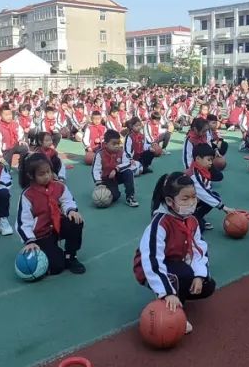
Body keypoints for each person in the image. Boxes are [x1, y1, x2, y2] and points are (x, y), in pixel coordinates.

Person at [135, 172, 215, 333]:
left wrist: (199, 275)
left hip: (176, 262)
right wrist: (167, 292)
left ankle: (176, 293)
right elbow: (152, 260)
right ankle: (172, 308)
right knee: (183, 275)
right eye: (185, 199)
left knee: (207, 285)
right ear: (170, 201)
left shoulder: (192, 220)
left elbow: (198, 249)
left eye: (194, 197)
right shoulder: (160, 224)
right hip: (148, 268)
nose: (192, 202)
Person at [16, 153, 85, 275]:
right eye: (41, 174)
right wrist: (30, 241)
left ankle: (70, 256)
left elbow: (67, 200)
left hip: (57, 226)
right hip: (41, 235)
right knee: (56, 267)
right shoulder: (27, 195)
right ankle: (53, 253)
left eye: (48, 171)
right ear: (31, 176)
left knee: (76, 221)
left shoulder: (59, 186)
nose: (47, 176)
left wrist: (71, 210)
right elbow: (23, 222)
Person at [185, 142, 237, 231]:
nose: (211, 163)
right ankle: (189, 219)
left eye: (212, 160)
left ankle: (197, 216)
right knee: (199, 229)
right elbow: (203, 193)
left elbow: (207, 191)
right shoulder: (193, 174)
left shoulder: (203, 171)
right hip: (182, 205)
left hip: (192, 201)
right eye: (208, 160)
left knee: (214, 195)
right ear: (197, 159)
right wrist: (223, 207)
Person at [92, 129, 139, 207]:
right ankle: (104, 190)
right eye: (114, 144)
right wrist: (99, 183)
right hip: (106, 178)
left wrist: (116, 169)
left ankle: (130, 197)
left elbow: (127, 163)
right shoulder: (99, 154)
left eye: (118, 143)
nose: (117, 146)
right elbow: (95, 170)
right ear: (105, 144)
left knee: (128, 172)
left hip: (117, 174)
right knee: (114, 197)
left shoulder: (121, 151)